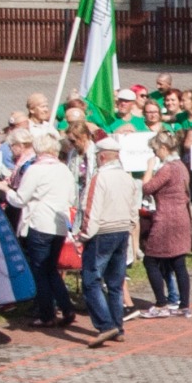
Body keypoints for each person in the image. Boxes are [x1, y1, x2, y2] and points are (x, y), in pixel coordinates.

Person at [5, 134, 76, 328]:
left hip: (39, 223)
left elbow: (20, 199)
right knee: (51, 268)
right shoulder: (64, 169)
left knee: (41, 270)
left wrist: (6, 189)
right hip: (59, 224)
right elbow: (71, 196)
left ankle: (47, 314)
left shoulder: (35, 170)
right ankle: (66, 307)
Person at [80, 136, 141, 346]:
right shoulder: (127, 177)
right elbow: (134, 206)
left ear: (102, 157)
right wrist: (130, 226)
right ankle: (118, 326)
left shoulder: (100, 178)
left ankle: (106, 325)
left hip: (102, 232)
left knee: (91, 280)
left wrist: (84, 235)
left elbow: (91, 209)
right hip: (122, 230)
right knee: (115, 282)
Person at [139, 131, 192, 318]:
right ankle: (184, 305)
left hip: (166, 219)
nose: (155, 154)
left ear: (163, 148)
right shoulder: (182, 166)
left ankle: (161, 303)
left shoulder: (167, 168)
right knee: (179, 262)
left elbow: (147, 188)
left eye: (155, 150)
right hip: (182, 217)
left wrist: (149, 168)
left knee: (150, 260)